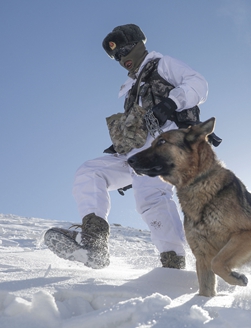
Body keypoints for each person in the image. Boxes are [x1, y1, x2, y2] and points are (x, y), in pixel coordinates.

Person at [44, 24, 209, 270]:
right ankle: (94, 242)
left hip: (167, 144)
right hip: (136, 152)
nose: (121, 59)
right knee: (90, 172)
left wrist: (170, 104)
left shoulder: (161, 64)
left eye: (123, 51)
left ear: (137, 45)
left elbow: (198, 84)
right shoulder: (130, 88)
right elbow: (138, 123)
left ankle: (174, 261)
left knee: (150, 197)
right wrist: (120, 145)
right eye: (116, 56)